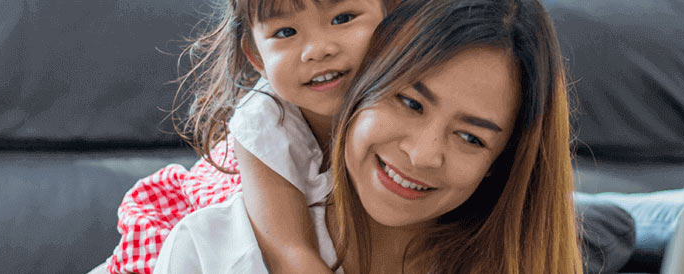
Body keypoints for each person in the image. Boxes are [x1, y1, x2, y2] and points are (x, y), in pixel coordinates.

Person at [155, 0, 585, 273]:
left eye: (471, 138)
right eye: (410, 102)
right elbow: (288, 249)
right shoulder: (211, 247)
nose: (421, 154)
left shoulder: (517, 248)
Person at [101, 0, 397, 273]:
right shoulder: (264, 119)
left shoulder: (410, 95)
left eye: (343, 18)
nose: (317, 50)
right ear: (256, 57)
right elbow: (289, 252)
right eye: (286, 32)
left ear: (394, 12)